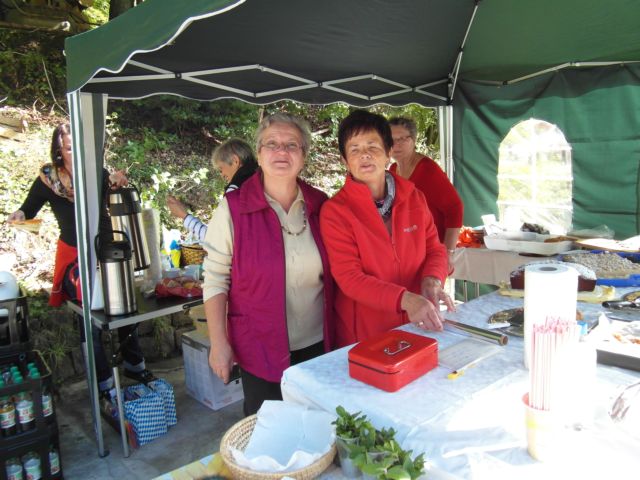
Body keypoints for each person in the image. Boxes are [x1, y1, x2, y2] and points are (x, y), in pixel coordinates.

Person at [7, 123, 155, 398]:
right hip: (74, 256)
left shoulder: (96, 173)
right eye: (69, 148)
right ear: (58, 151)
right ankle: (102, 382)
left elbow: (112, 204)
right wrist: (19, 214)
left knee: (123, 306)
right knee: (89, 315)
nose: (76, 153)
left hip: (105, 249)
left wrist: (116, 185)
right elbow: (28, 207)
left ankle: (134, 364)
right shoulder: (47, 179)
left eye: (79, 147)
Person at [202, 113, 334, 415]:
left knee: (318, 430)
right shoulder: (233, 208)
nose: (282, 152)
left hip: (318, 344)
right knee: (269, 434)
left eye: (292, 145)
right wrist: (219, 343)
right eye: (271, 144)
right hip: (259, 346)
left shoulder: (319, 203)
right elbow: (215, 279)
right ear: (258, 155)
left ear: (304, 156)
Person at [320, 110, 454, 348]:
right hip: (364, 333)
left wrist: (432, 280)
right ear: (345, 160)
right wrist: (406, 299)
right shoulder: (336, 212)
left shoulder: (415, 197)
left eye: (373, 146)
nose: (364, 156)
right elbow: (350, 278)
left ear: (388, 152)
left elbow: (435, 249)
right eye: (354, 149)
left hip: (416, 324)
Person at [388, 117, 463, 272]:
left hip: (430, 250)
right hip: (406, 250)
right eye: (391, 139)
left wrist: (448, 253)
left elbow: (455, 208)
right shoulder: (393, 170)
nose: (396, 144)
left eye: (402, 138)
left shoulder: (428, 171)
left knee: (427, 294)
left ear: (414, 140)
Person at [166, 138, 258, 241]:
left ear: (235, 161)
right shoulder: (263, 180)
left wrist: (184, 216)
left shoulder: (236, 191)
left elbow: (215, 240)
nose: (222, 175)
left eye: (221, 169)